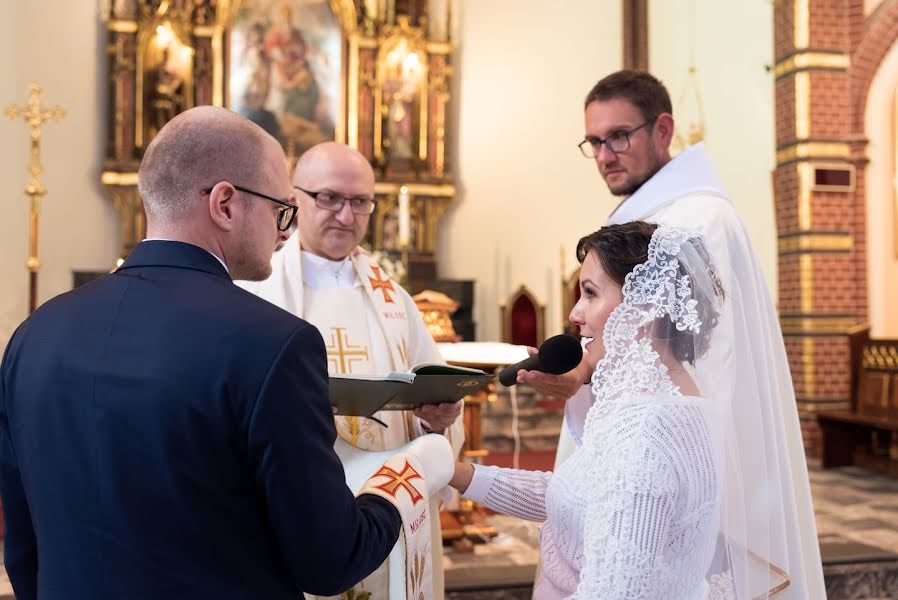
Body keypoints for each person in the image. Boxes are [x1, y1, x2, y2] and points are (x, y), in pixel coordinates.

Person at [0, 106, 450, 600]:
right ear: (225, 203)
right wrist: (411, 474)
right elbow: (329, 562)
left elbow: (23, 546)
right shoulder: (272, 343)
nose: (284, 232)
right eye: (281, 210)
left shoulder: (35, 334)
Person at [518, 70, 825, 598]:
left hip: (670, 456)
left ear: (663, 129)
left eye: (619, 136)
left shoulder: (697, 219)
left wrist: (585, 370)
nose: (604, 154)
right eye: (594, 141)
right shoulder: (659, 211)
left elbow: (696, 350)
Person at [452, 222, 742, 598]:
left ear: (645, 307)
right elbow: (574, 498)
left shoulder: (644, 435)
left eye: (590, 294)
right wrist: (456, 473)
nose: (575, 313)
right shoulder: (668, 403)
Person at [239, 141, 464, 600]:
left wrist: (434, 421)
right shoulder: (256, 289)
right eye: (329, 198)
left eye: (360, 202)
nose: (346, 214)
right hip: (302, 498)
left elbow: (429, 394)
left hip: (389, 499)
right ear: (294, 198)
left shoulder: (394, 299)